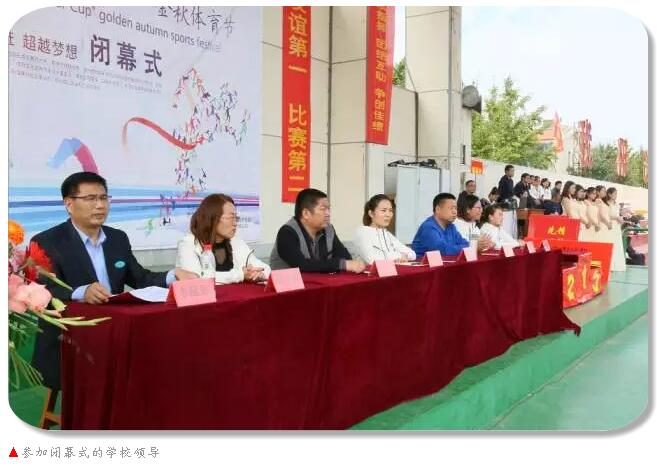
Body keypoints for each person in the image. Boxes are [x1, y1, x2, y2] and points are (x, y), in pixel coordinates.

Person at [29, 172, 196, 390]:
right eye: (90, 199)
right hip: (72, 340)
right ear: (69, 204)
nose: (100, 205)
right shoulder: (46, 241)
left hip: (115, 332)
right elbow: (41, 291)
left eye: (103, 198)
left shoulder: (117, 238)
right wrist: (81, 292)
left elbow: (140, 278)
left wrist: (173, 275)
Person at [176, 194, 271, 284]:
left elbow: (265, 269)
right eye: (231, 218)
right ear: (213, 219)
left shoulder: (235, 241)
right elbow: (197, 279)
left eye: (236, 218)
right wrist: (240, 275)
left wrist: (258, 274)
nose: (235, 223)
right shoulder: (188, 243)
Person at [269, 188, 365, 273]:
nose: (328, 214)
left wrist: (348, 263)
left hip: (319, 284)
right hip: (289, 286)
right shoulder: (287, 232)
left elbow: (345, 256)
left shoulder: (328, 229)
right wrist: (340, 264)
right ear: (306, 213)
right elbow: (302, 265)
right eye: (323, 209)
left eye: (328, 209)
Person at [352, 194, 416, 264]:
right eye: (383, 210)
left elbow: (412, 254)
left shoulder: (387, 234)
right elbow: (373, 260)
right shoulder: (362, 232)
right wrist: (399, 255)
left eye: (390, 210)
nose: (388, 215)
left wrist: (394, 257)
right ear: (371, 213)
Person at [411, 193, 470, 258]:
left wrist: (468, 246)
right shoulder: (428, 227)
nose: (455, 212)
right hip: (422, 263)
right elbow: (442, 251)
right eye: (451, 208)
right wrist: (468, 247)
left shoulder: (451, 227)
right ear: (438, 209)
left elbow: (465, 243)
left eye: (456, 208)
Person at [605, 187, 627, 271]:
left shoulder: (617, 205)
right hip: (610, 225)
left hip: (617, 226)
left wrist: (621, 219)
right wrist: (616, 217)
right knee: (611, 243)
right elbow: (607, 215)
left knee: (617, 244)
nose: (616, 195)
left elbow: (617, 214)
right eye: (614, 194)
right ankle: (610, 265)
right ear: (609, 194)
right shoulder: (607, 204)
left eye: (616, 194)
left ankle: (617, 265)